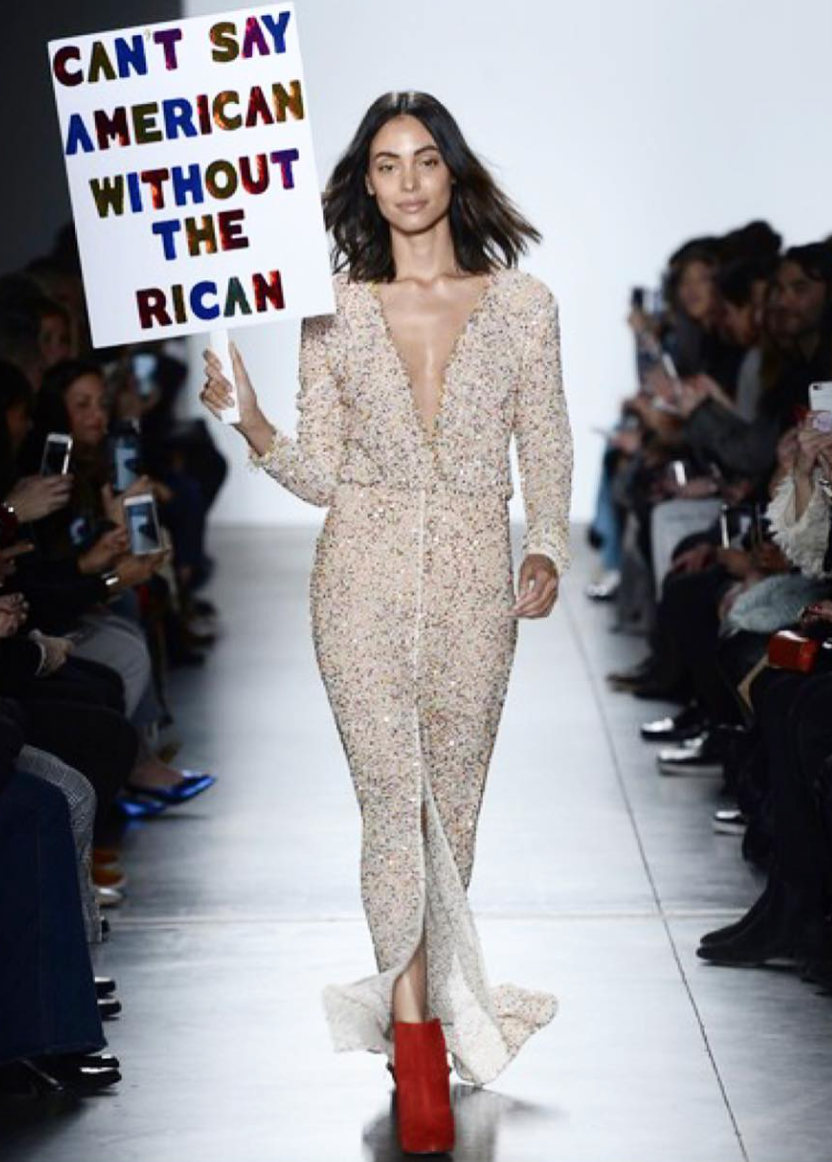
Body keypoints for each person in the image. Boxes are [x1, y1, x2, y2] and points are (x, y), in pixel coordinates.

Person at [200, 90, 573, 1156]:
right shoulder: (333, 311)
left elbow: (546, 440)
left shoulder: (525, 306)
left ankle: (431, 1016)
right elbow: (323, 474)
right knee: (390, 811)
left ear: (453, 171)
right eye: (385, 164)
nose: (407, 182)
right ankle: (416, 1048)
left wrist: (546, 544)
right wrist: (249, 418)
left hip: (473, 583)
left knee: (449, 814)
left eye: (424, 160)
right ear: (364, 184)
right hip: (357, 578)